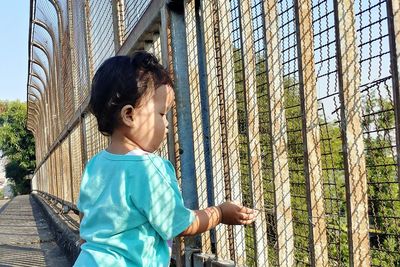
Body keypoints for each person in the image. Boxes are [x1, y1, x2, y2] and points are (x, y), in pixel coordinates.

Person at [73, 51, 256, 267]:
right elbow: (179, 223)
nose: (167, 124)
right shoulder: (148, 167)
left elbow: (86, 224)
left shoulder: (95, 165)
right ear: (129, 115)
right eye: (162, 114)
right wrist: (219, 213)